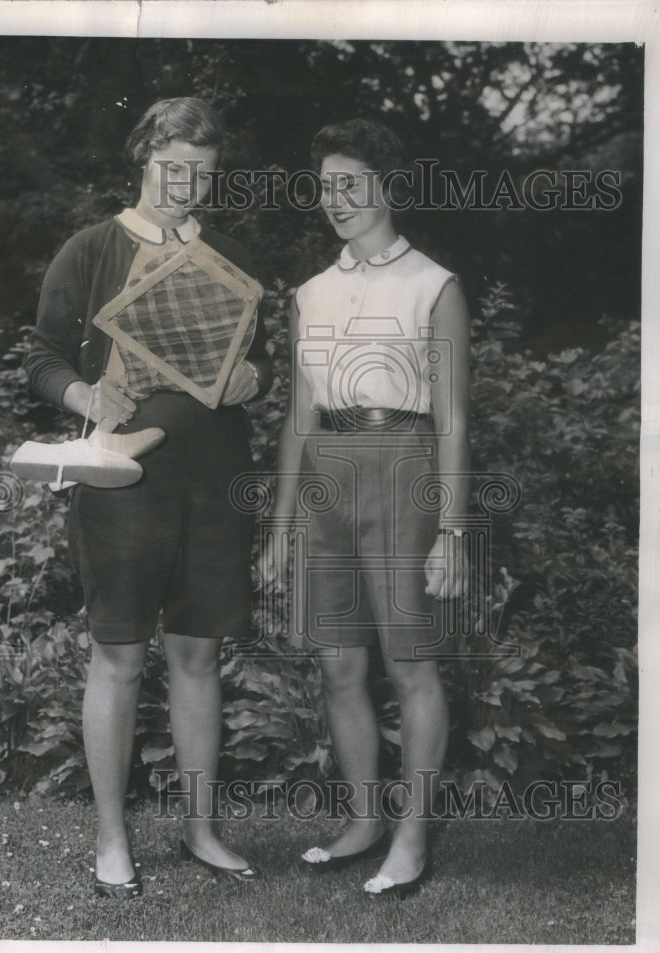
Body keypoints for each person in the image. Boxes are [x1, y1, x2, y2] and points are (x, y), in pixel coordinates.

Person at [26, 97, 272, 896]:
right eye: (171, 165)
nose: (184, 183)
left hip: (212, 479)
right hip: (121, 481)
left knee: (199, 656)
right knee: (120, 657)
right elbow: (43, 357)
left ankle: (201, 831)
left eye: (200, 172)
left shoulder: (230, 257)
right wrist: (83, 397)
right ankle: (111, 838)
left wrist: (252, 378)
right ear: (142, 158)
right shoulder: (92, 249)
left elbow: (256, 364)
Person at [264, 119, 469, 898]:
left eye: (350, 183)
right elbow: (297, 414)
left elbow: (453, 419)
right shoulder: (309, 294)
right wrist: (280, 524)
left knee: (409, 662)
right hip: (326, 477)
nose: (335, 200)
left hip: (403, 465)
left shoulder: (434, 285)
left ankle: (411, 839)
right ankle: (362, 820)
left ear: (387, 185)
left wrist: (449, 528)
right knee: (337, 661)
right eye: (324, 187)